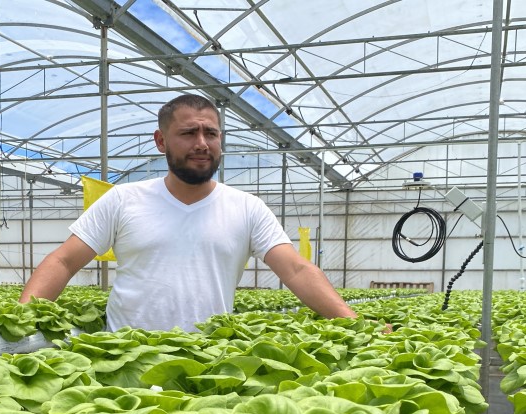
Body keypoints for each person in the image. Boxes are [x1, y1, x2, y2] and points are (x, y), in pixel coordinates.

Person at [20, 93, 359, 332]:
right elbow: (63, 261)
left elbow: (296, 269)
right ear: (161, 140)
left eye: (210, 133)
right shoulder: (123, 199)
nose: (201, 143)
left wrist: (351, 322)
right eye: (188, 133)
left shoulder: (246, 207)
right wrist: (22, 319)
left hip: (209, 359)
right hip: (126, 357)